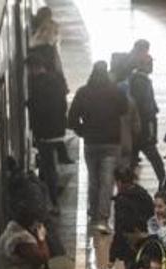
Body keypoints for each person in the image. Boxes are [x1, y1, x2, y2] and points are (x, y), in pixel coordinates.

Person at [68, 62, 129, 232]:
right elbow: (125, 111)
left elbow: (71, 119)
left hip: (91, 143)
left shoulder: (83, 92)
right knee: (107, 180)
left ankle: (93, 213)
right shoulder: (116, 92)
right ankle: (103, 218)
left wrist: (83, 132)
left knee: (94, 180)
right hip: (111, 143)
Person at [26, 56, 70, 204]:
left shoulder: (38, 84)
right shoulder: (57, 80)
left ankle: (53, 200)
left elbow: (40, 108)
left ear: (35, 68)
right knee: (50, 165)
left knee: (48, 166)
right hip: (58, 130)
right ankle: (52, 195)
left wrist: (29, 104)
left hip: (44, 132)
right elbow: (63, 105)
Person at [123, 53, 166, 182]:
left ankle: (127, 187)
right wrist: (151, 127)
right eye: (150, 63)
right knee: (155, 160)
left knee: (132, 161)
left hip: (137, 128)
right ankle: (164, 185)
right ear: (142, 65)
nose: (152, 66)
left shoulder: (136, 79)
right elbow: (144, 107)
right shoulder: (141, 82)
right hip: (143, 128)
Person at [110, 165, 154, 269]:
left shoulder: (121, 200)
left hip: (129, 245)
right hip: (146, 242)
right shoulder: (144, 194)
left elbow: (119, 228)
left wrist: (112, 256)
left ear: (119, 182)